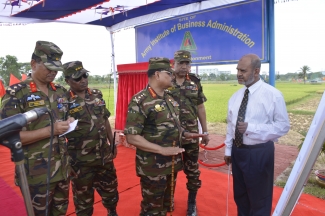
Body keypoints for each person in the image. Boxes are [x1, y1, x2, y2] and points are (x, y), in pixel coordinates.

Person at [124, 57, 205, 216]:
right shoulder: (140, 100)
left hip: (171, 164)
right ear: (157, 75)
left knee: (166, 206)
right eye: (169, 73)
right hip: (152, 167)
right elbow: (132, 137)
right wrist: (161, 150)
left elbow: (173, 124)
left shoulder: (169, 98)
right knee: (152, 209)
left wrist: (185, 134)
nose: (172, 76)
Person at [0, 41, 74, 215]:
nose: (53, 72)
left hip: (62, 169)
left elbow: (62, 120)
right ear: (33, 64)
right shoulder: (16, 94)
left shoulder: (61, 92)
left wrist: (68, 122)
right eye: (48, 67)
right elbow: (5, 135)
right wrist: (51, 130)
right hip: (36, 175)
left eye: (56, 68)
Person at [224, 53, 290, 216]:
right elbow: (230, 125)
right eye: (238, 70)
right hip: (238, 152)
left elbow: (283, 126)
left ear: (256, 71)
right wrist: (228, 150)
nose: (239, 74)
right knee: (241, 196)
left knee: (259, 199)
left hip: (259, 153)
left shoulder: (273, 95)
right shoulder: (236, 97)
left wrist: (251, 128)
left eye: (243, 70)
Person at [63, 61, 119, 216]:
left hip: (104, 156)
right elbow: (59, 134)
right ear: (67, 81)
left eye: (85, 75)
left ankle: (112, 212)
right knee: (83, 199)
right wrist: (66, 160)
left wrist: (112, 143)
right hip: (81, 161)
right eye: (77, 78)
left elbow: (105, 119)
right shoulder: (64, 101)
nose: (83, 80)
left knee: (111, 190)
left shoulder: (96, 94)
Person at [169, 50, 209, 216]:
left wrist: (205, 131)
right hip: (170, 136)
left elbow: (200, 107)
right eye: (181, 63)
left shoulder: (194, 82)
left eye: (187, 63)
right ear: (174, 64)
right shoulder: (165, 80)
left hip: (191, 136)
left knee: (192, 171)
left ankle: (191, 203)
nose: (184, 67)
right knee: (170, 169)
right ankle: (168, 199)